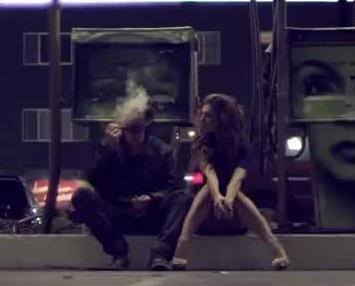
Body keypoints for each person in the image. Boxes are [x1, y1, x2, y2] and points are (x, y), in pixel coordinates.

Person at [171, 93, 289, 270]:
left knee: (233, 191)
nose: (202, 119)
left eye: (208, 115)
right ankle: (181, 248)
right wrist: (217, 198)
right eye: (202, 114)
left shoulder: (242, 143)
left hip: (232, 213)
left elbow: (238, 177)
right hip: (206, 216)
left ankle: (277, 250)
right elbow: (209, 172)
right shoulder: (202, 141)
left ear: (222, 119)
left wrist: (228, 200)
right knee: (208, 190)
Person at [71, 102, 193, 270]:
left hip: (151, 213)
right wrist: (108, 149)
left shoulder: (162, 151)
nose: (133, 136)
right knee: (81, 195)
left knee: (184, 197)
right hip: (117, 212)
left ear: (146, 124)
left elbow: (173, 187)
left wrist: (152, 198)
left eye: (137, 130)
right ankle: (119, 253)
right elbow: (93, 179)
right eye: (129, 130)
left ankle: (160, 255)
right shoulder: (109, 147)